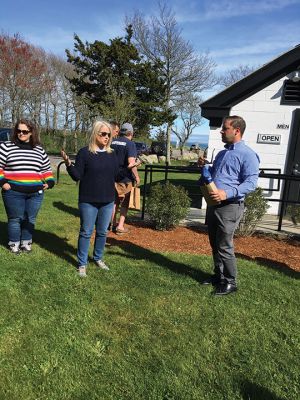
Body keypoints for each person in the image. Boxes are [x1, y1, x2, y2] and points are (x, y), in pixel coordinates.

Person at [198, 115, 260, 295]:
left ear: (237, 130)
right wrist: (206, 166)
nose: (221, 131)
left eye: (225, 128)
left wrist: (227, 192)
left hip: (230, 206)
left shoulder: (248, 154)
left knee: (224, 245)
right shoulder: (223, 153)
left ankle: (231, 282)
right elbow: (220, 173)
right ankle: (219, 276)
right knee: (214, 243)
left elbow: (250, 183)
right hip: (214, 204)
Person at [61, 120, 118, 277]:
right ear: (95, 134)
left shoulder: (112, 154)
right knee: (86, 232)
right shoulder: (84, 153)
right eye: (103, 134)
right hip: (88, 200)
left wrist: (131, 169)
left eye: (109, 134)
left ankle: (98, 258)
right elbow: (77, 176)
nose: (107, 137)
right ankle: (82, 263)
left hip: (107, 200)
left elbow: (116, 175)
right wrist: (68, 163)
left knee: (102, 232)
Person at [0, 118, 55, 254]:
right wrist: (3, 183)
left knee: (30, 219)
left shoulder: (39, 150)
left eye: (25, 131)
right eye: (18, 130)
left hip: (35, 193)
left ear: (31, 132)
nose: (21, 133)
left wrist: (49, 182)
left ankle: (26, 242)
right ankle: (14, 244)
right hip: (13, 192)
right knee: (15, 219)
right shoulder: (6, 146)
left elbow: (46, 169)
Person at [110, 123, 140, 234]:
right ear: (131, 133)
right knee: (125, 202)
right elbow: (131, 163)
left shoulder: (112, 142)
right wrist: (136, 176)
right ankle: (120, 226)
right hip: (125, 178)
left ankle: (111, 223)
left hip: (112, 177)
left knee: (114, 201)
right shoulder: (130, 144)